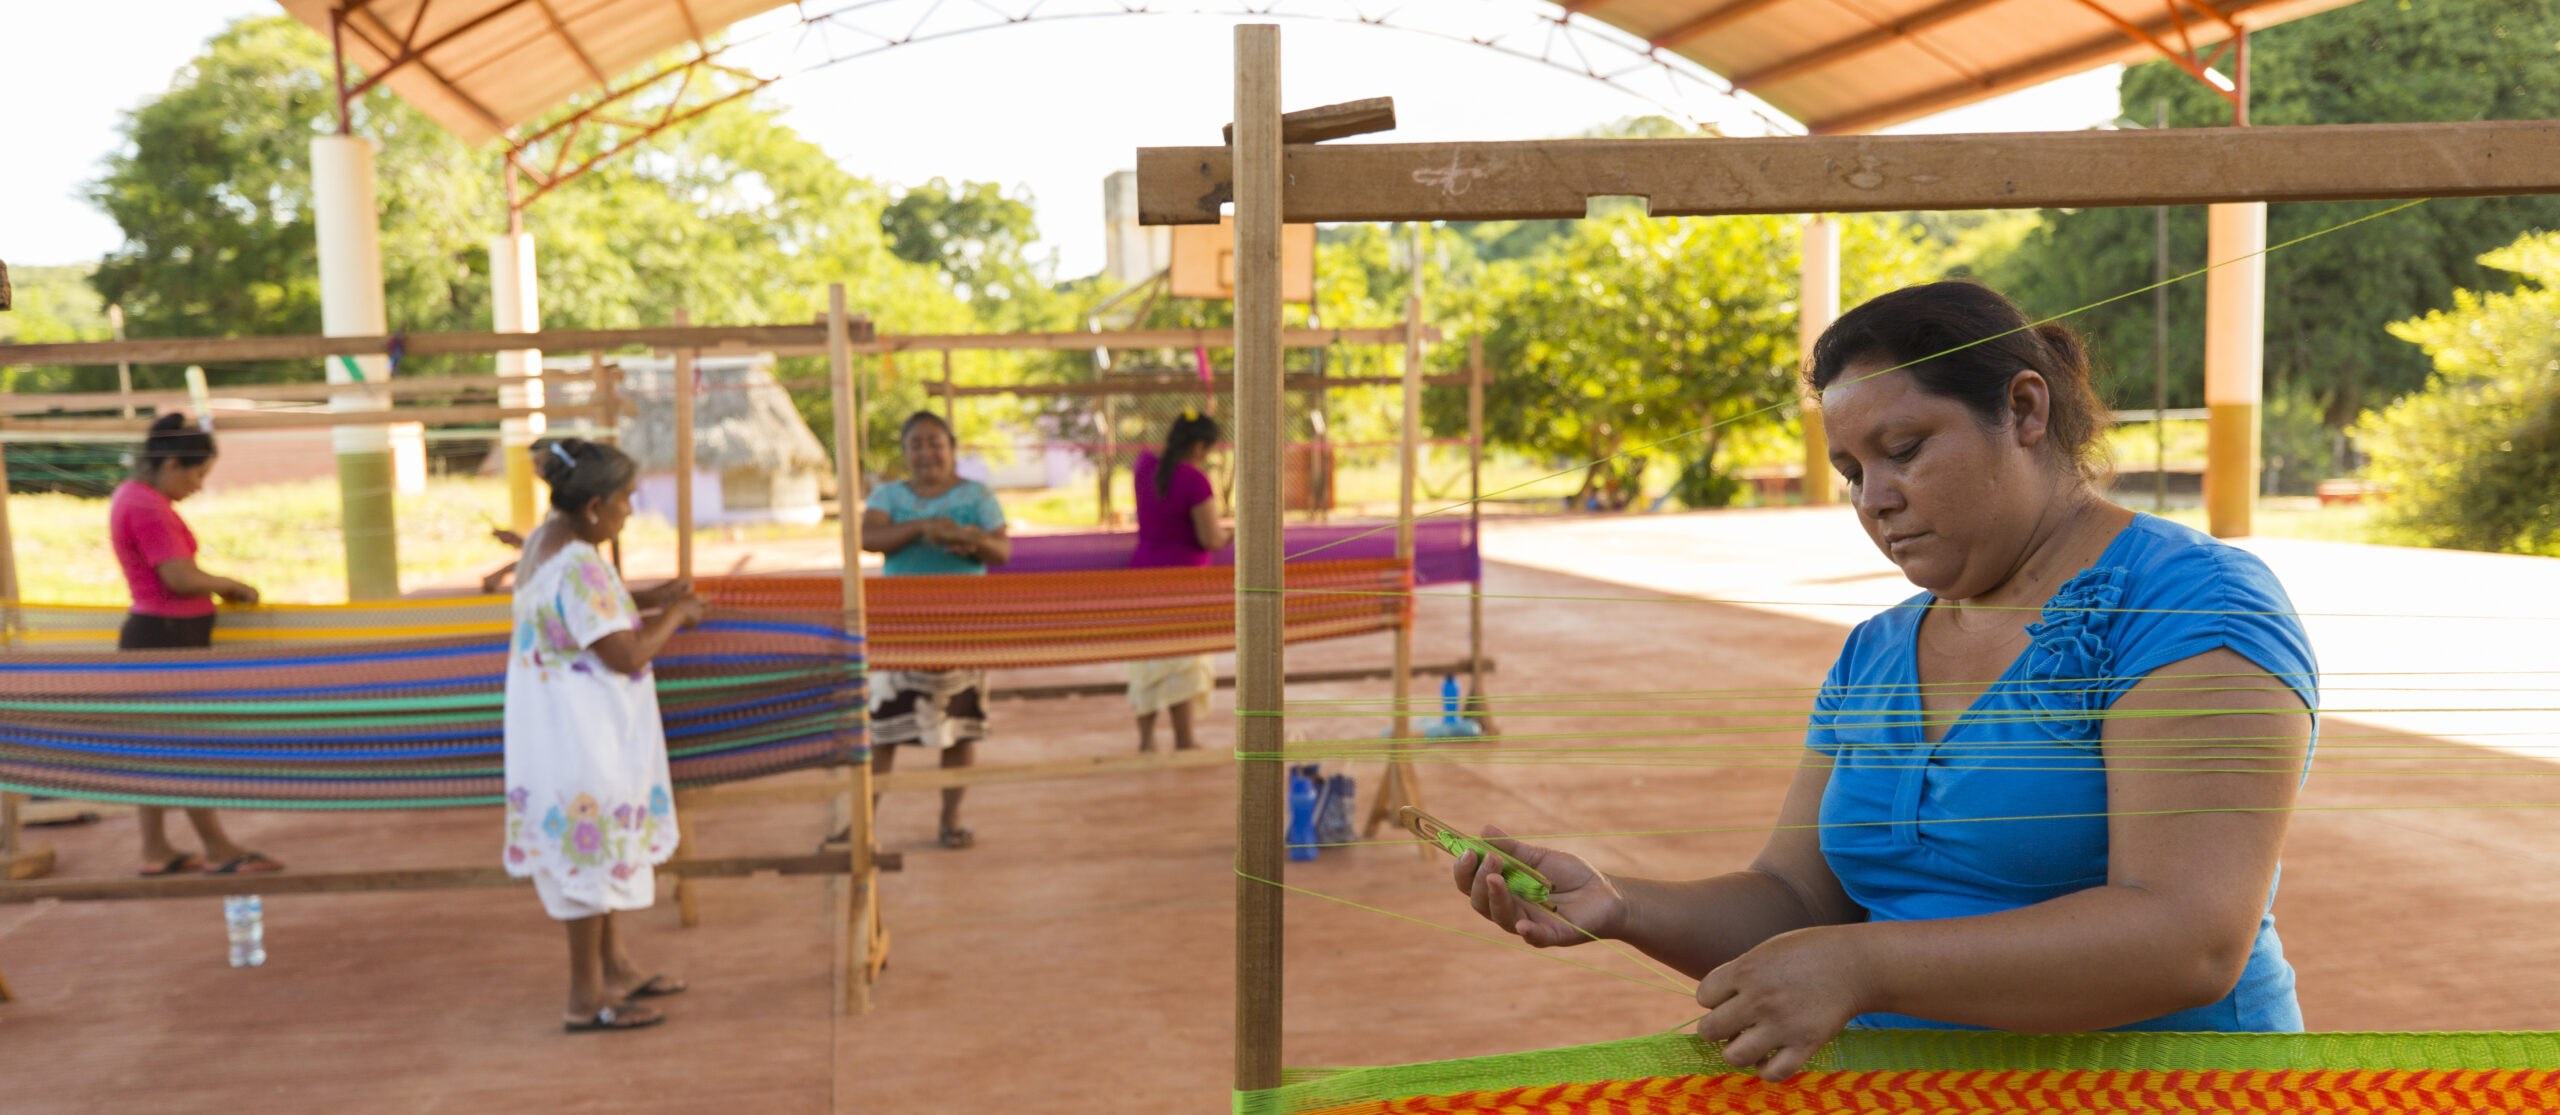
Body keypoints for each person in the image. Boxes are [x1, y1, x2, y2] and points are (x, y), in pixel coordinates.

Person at [1450, 281, 2318, 1081]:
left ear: (2022, 408)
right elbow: (1795, 899)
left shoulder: (2188, 604)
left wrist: (1864, 966)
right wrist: (1620, 904)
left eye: (1903, 450)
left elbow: (2189, 938)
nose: (1875, 498)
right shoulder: (1877, 651)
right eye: (1853, 473)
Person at [501, 438, 706, 1032]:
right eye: (625, 500)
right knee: (586, 856)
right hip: (581, 734)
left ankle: (613, 966)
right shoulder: (581, 562)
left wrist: (648, 596)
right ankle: (584, 998)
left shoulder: (549, 540)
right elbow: (625, 652)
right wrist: (676, 616)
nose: (630, 512)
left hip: (558, 729)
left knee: (594, 851)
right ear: (594, 506)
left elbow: (586, 610)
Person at [111, 413, 280, 877]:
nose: (199, 485)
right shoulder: (146, 505)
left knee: (157, 746)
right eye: (197, 473)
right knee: (184, 746)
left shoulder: (134, 497)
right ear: (171, 464)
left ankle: (156, 848)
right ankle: (218, 847)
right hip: (166, 638)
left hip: (161, 636)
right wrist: (231, 584)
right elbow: (178, 576)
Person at [863, 412, 1010, 849]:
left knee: (959, 726)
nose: (926, 452)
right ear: (906, 452)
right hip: (900, 629)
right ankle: (863, 828)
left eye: (935, 443)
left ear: (952, 447)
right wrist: (923, 528)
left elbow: (1001, 549)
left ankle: (951, 819)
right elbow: (868, 538)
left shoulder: (977, 496)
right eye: (917, 445)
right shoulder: (888, 495)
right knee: (883, 730)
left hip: (962, 628)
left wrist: (970, 539)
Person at [1127, 411, 1230, 752]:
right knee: (1184, 659)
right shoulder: (1194, 481)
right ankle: (1184, 739)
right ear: (1199, 446)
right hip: (1183, 584)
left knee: (1146, 657)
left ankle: (1145, 740)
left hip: (1143, 580)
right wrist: (1231, 535)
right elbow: (1209, 538)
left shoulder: (1144, 467)